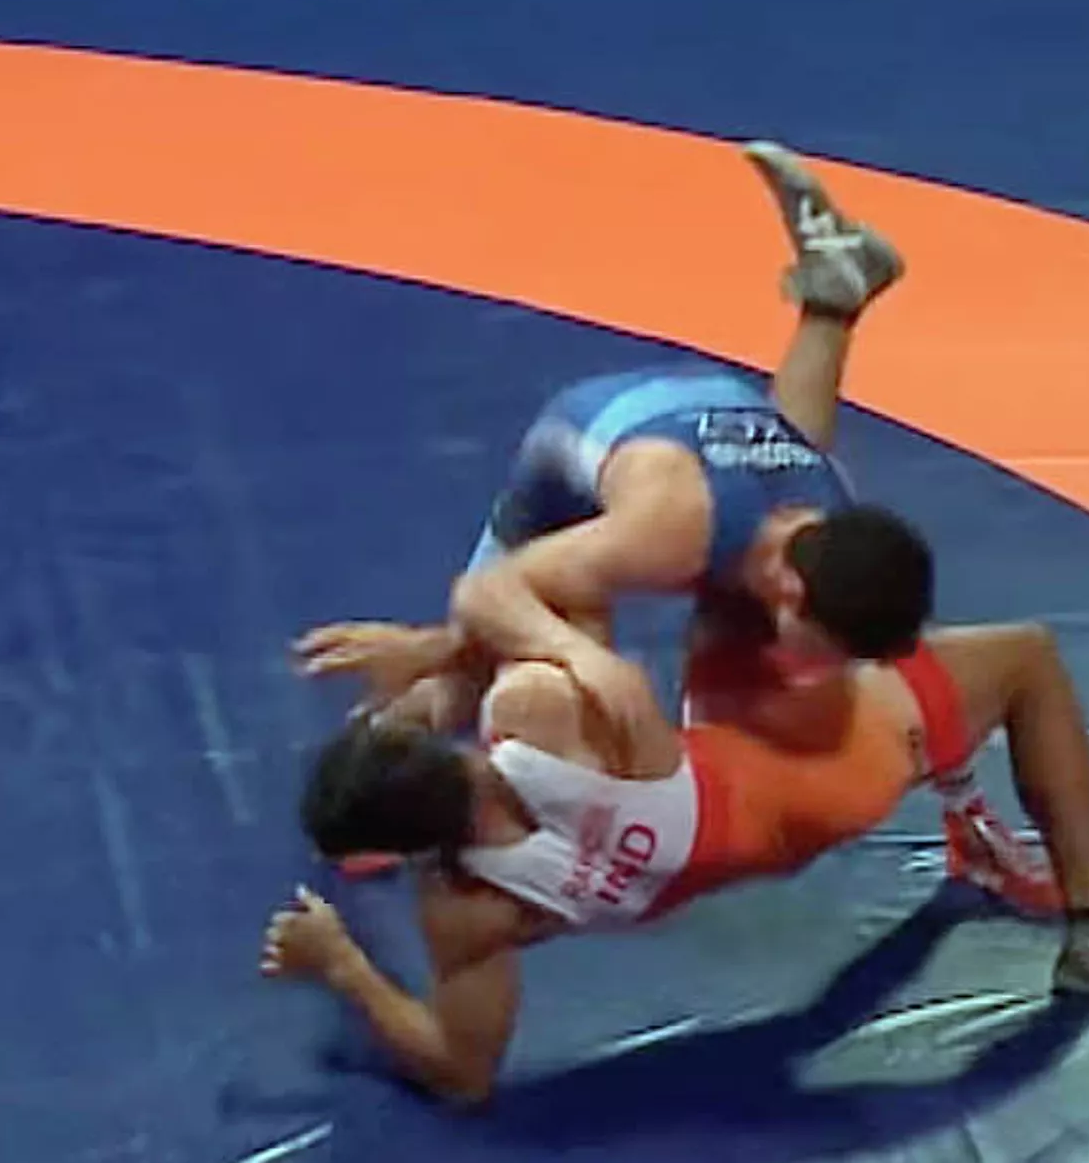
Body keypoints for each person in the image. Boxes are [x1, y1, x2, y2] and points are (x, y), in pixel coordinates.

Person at [261, 623, 1089, 1106]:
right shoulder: (535, 719)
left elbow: (463, 1076)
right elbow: (537, 598)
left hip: (746, 851)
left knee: (758, 657)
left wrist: (343, 964)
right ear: (434, 747)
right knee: (1021, 658)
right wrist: (432, 654)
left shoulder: (465, 910)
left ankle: (968, 823)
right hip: (807, 776)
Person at [295, 141, 931, 748]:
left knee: (782, 502)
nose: (831, 667)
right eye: (830, 650)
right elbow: (486, 593)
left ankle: (832, 301)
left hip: (716, 424)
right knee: (513, 679)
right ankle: (393, 735)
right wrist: (560, 656)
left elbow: (795, 446)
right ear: (791, 593)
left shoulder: (835, 516)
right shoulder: (669, 531)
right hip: (585, 447)